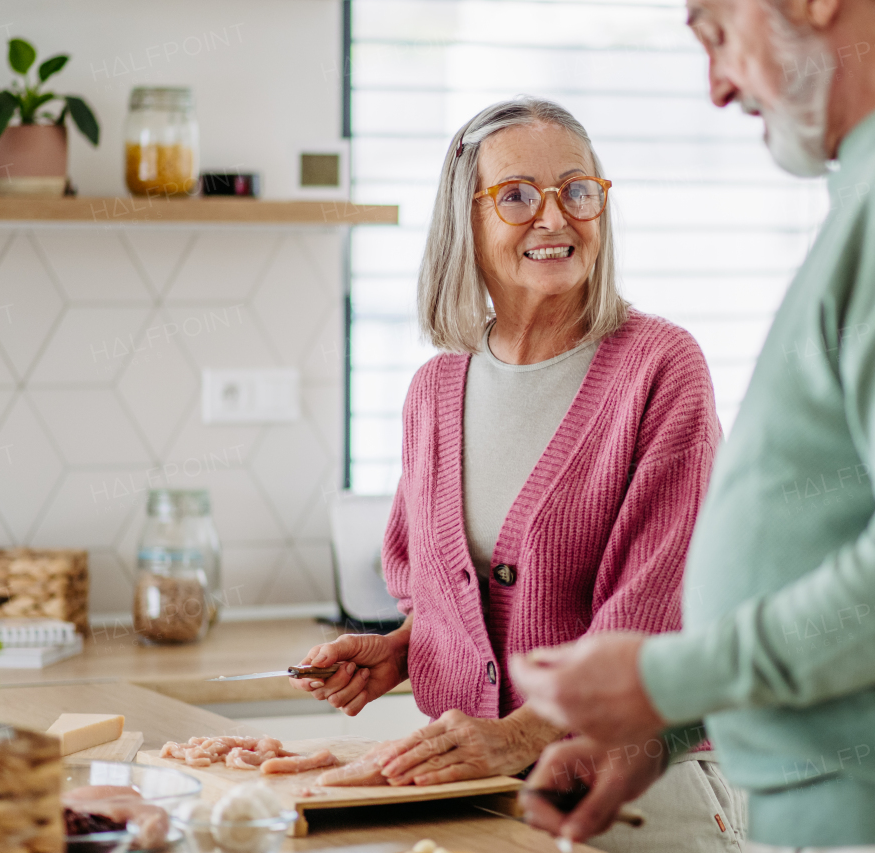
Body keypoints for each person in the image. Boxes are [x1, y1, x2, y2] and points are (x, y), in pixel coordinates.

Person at [510, 2, 875, 853]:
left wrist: (661, 678)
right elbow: (847, 540)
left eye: (716, 34)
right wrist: (670, 728)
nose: (716, 86)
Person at [290, 97, 747, 852]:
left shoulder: (661, 368)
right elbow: (471, 600)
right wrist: (405, 647)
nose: (554, 217)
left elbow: (656, 614)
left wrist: (517, 735)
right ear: (464, 220)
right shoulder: (435, 392)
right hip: (482, 796)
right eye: (517, 195)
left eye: (577, 189)